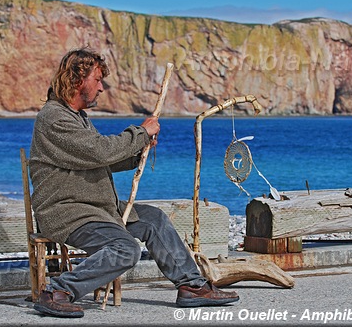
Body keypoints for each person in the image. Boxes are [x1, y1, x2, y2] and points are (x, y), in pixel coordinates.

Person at [29, 48, 239, 318]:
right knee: (125, 249)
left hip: (97, 208)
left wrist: (139, 149)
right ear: (77, 79)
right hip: (69, 213)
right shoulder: (54, 118)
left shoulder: (76, 117)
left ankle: (191, 286)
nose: (101, 88)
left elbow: (100, 159)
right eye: (97, 80)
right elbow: (99, 151)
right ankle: (57, 291)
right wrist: (140, 133)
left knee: (153, 219)